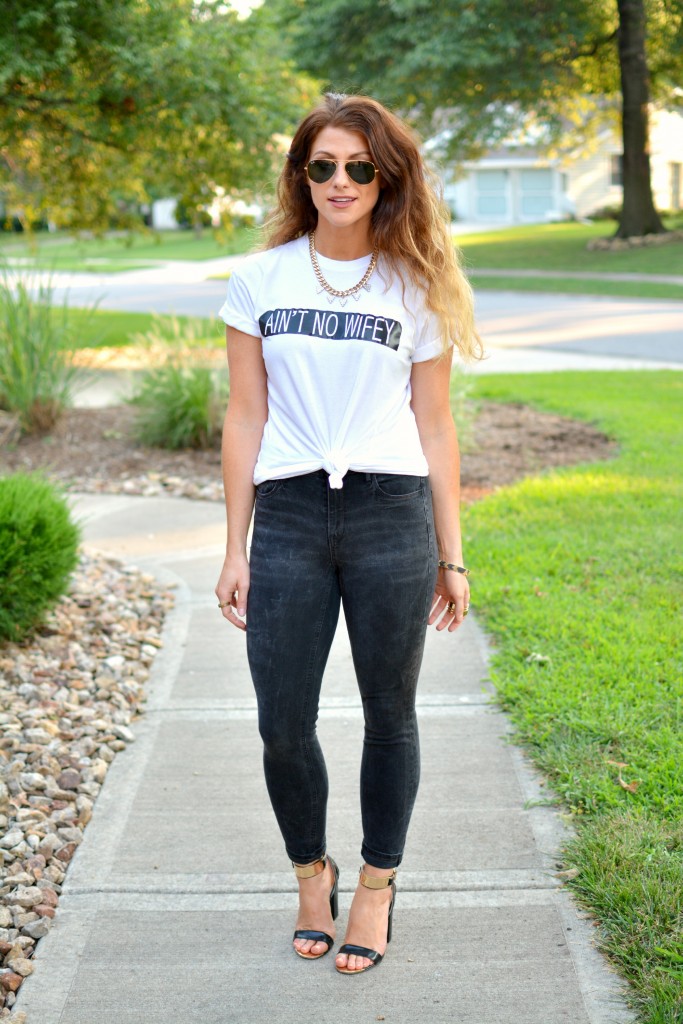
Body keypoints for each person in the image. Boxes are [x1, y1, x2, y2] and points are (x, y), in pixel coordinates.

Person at [215, 92, 483, 975]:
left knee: (388, 714)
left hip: (389, 512)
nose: (340, 180)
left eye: (358, 167)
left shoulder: (416, 284)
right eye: (322, 165)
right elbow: (245, 416)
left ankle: (375, 886)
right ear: (302, 174)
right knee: (282, 721)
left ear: (385, 177)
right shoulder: (261, 279)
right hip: (289, 514)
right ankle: (309, 873)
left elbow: (435, 425)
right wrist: (233, 547)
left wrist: (451, 554)